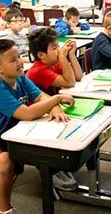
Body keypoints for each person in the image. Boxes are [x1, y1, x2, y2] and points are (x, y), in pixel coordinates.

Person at [0, 39, 74, 214]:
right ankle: (4, 209)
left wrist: (54, 107)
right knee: (4, 160)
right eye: (13, 60)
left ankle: (56, 173)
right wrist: (56, 99)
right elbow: (27, 113)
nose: (19, 62)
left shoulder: (21, 78)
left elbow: (40, 96)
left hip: (12, 130)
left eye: (19, 57)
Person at [26, 27, 82, 190]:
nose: (59, 50)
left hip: (53, 108)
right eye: (54, 48)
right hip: (36, 117)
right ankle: (50, 168)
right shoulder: (38, 70)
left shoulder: (53, 63)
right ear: (41, 55)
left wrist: (71, 55)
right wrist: (63, 57)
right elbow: (70, 82)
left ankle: (60, 164)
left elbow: (77, 77)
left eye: (58, 46)